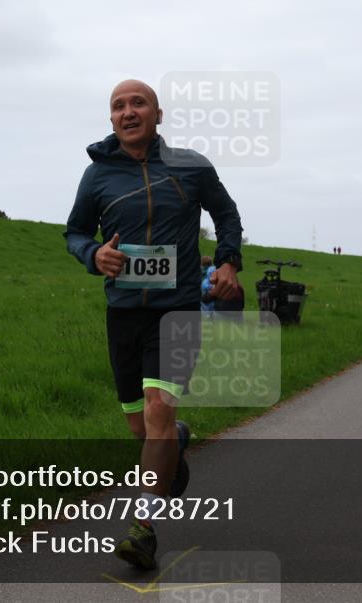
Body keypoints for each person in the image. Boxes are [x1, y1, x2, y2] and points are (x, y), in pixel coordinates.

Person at [64, 79, 243, 570]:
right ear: (112, 120)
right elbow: (75, 232)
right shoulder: (97, 175)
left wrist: (227, 262)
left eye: (137, 103)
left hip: (178, 309)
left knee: (158, 412)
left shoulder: (191, 167)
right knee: (141, 428)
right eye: (118, 106)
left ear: (157, 115)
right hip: (123, 314)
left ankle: (143, 529)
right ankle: (174, 445)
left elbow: (227, 215)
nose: (128, 111)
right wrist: (92, 253)